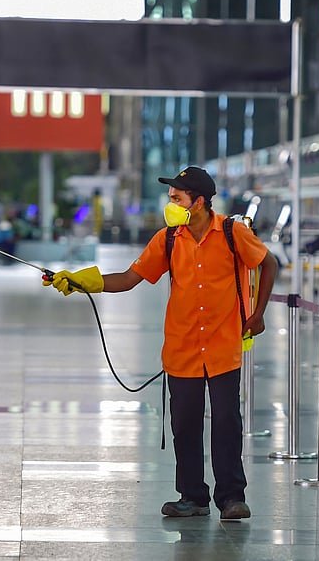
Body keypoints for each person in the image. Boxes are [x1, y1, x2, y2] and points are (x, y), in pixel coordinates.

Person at [42, 166, 278, 521]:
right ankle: (193, 497)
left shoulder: (233, 233)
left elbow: (268, 264)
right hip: (182, 348)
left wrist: (258, 313)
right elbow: (129, 278)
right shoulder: (168, 239)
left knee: (226, 422)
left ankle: (231, 498)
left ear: (198, 202)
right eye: (171, 197)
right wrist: (81, 281)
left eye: (177, 198)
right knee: (184, 424)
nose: (171, 203)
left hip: (223, 346)